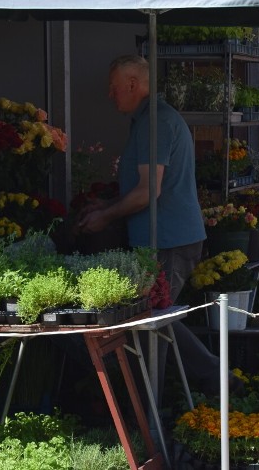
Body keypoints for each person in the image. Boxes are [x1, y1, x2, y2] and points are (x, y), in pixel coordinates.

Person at [78, 55, 230, 394]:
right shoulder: (150, 120)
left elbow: (149, 191)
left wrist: (105, 216)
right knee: (159, 318)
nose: (110, 95)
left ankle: (153, 411)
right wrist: (107, 204)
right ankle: (217, 379)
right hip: (166, 238)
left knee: (151, 324)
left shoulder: (156, 122)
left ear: (133, 85)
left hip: (169, 240)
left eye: (114, 88)